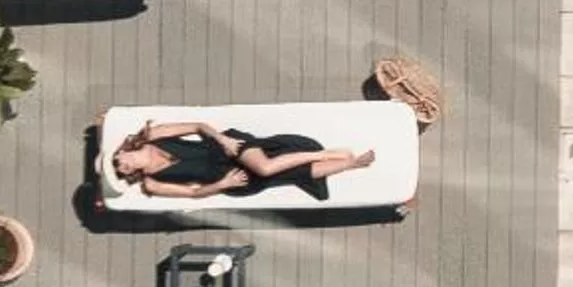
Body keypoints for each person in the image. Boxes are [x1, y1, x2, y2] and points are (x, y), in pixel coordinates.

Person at [109, 119, 375, 201]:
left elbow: (198, 127)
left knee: (266, 167)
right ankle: (351, 164)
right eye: (121, 172)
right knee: (288, 175)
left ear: (122, 151)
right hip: (225, 179)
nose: (123, 168)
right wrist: (223, 184)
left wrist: (222, 139)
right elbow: (194, 193)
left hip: (226, 148)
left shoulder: (153, 135)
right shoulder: (152, 184)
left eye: (118, 163)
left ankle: (321, 154)